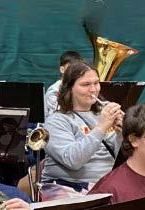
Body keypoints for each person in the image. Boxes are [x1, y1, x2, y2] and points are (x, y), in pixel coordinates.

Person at [43, 61, 122, 194]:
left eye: (96, 83)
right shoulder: (56, 121)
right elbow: (73, 161)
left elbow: (119, 158)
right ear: (69, 88)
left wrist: (122, 134)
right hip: (70, 188)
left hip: (107, 183)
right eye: (86, 84)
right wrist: (102, 127)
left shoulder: (102, 114)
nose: (93, 89)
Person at [44, 50, 83, 119]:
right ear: (62, 69)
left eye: (77, 69)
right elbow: (57, 114)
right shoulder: (54, 90)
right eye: (70, 68)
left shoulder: (78, 87)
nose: (74, 72)